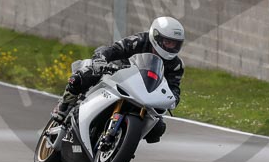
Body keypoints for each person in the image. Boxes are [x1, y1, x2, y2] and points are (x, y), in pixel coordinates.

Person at [52, 16, 186, 145]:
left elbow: (174, 88)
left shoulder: (176, 65)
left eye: (175, 44)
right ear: (156, 37)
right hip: (117, 73)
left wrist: (171, 99)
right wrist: (101, 59)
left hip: (144, 92)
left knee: (158, 127)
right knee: (84, 76)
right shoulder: (140, 41)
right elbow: (114, 49)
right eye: (168, 42)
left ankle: (122, 141)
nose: (171, 47)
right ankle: (64, 105)